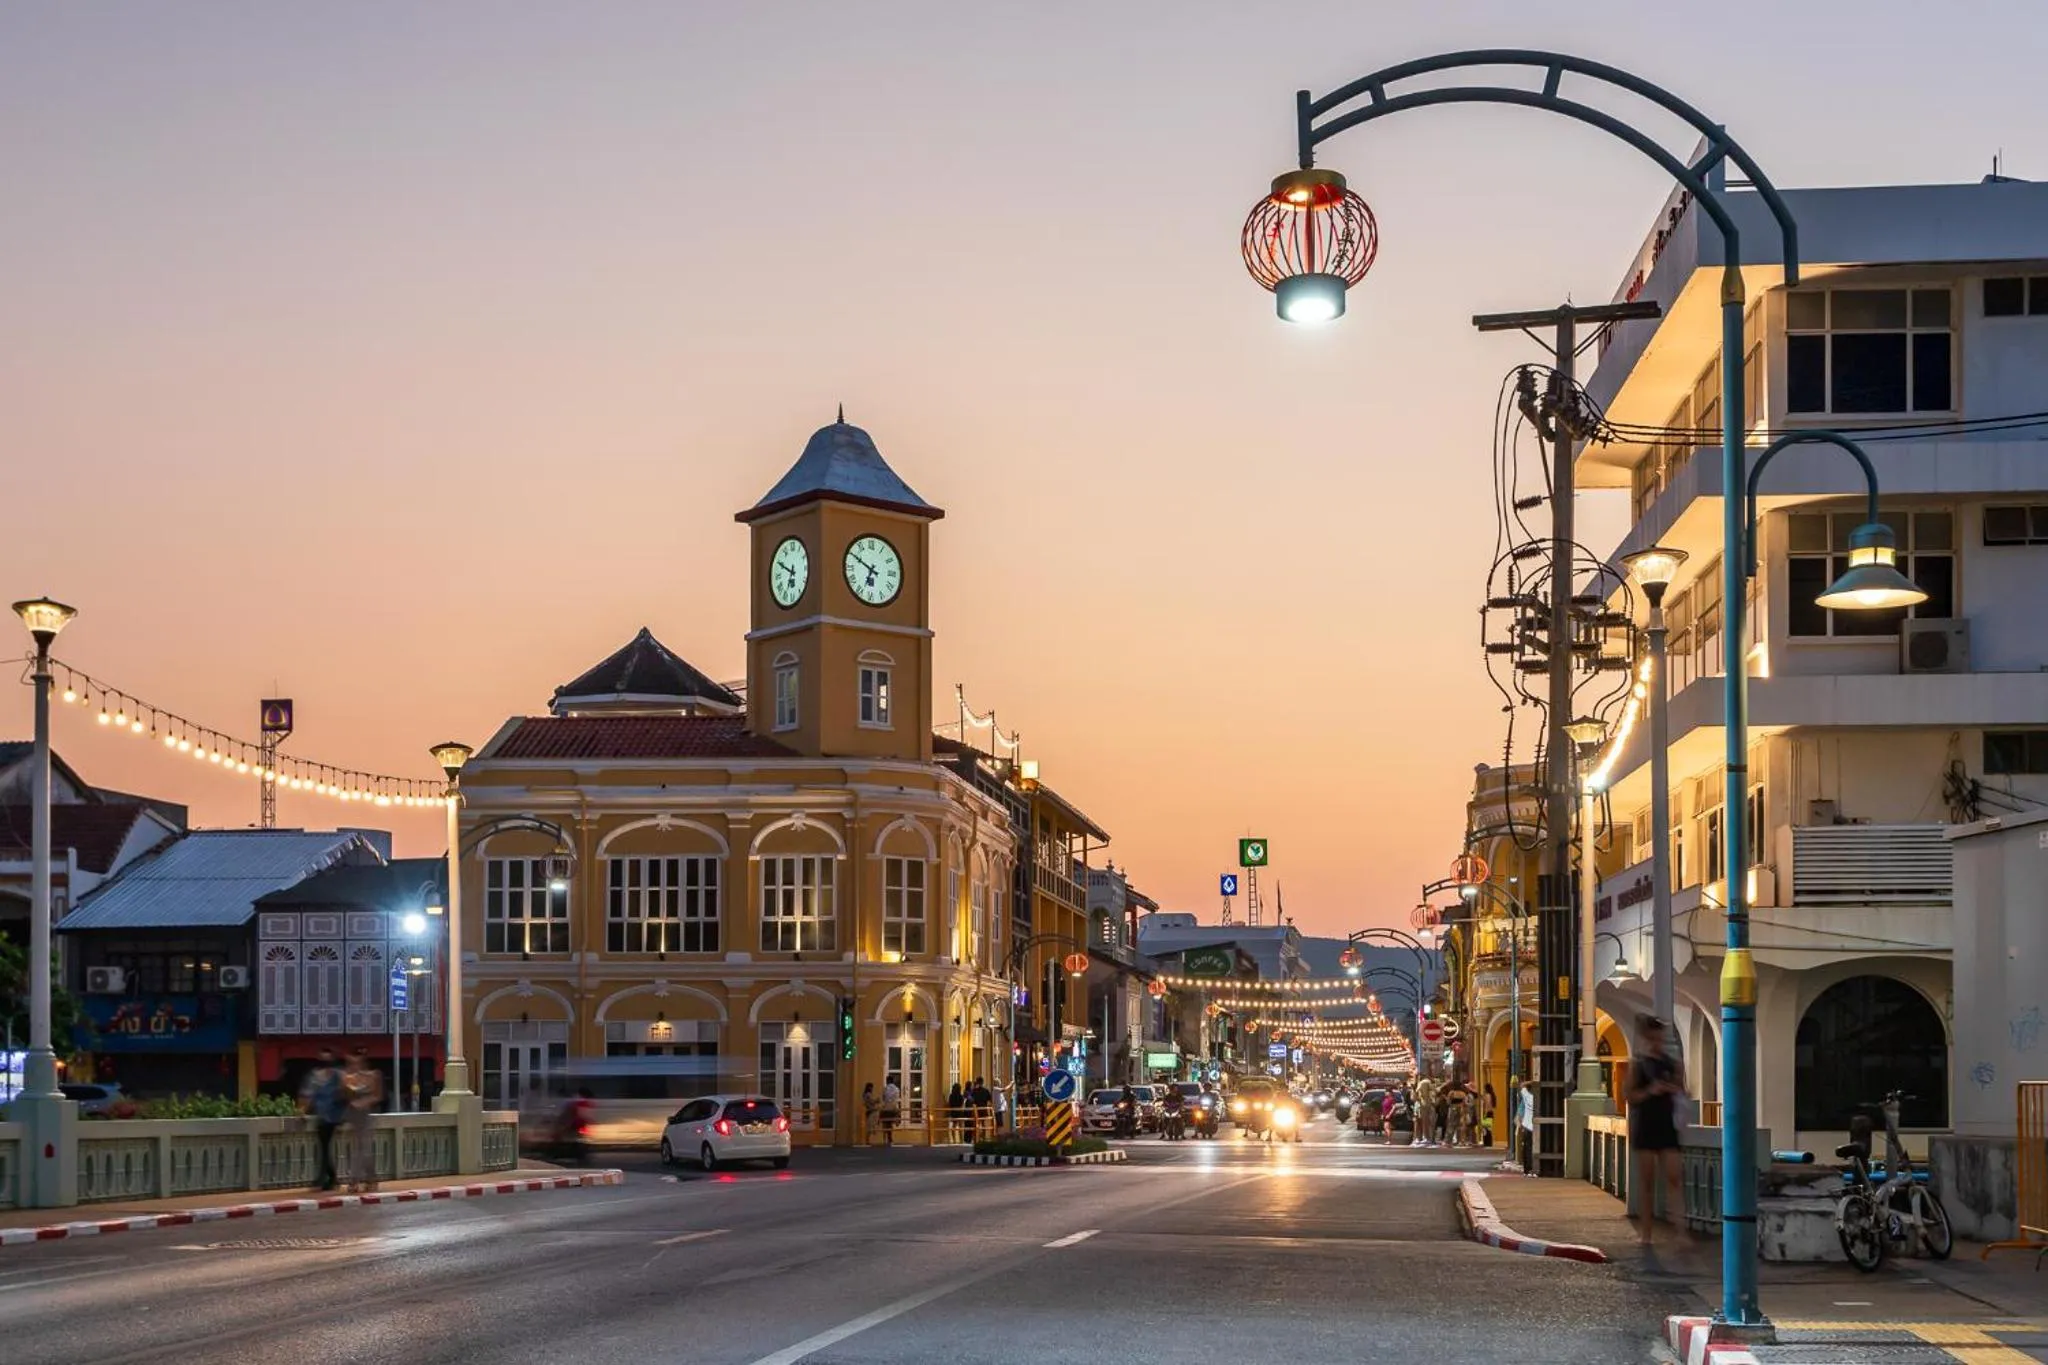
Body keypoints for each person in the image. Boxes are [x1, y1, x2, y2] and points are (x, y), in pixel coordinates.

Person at [1626, 1015, 1688, 1246]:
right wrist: (1651, 1090)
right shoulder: (1638, 1064)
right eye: (1652, 1037)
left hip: (1667, 1125)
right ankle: (1646, 1234)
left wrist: (1671, 1087)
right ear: (1645, 1038)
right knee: (1647, 1181)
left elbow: (1683, 1090)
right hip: (1646, 1124)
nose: (1656, 1042)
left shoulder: (1672, 1064)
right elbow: (1630, 1096)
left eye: (1659, 1037)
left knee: (1674, 1178)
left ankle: (1681, 1232)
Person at [297, 1049, 347, 1191]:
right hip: (323, 1116)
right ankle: (330, 1177)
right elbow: (307, 1095)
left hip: (334, 1116)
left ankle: (324, 1178)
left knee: (324, 1145)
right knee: (324, 1146)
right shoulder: (316, 1076)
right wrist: (302, 1110)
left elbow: (345, 1095)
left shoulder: (338, 1076)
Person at [340, 1050, 384, 1193]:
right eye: (351, 1063)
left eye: (356, 1062)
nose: (353, 1065)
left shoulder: (373, 1076)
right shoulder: (348, 1078)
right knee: (358, 1148)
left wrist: (365, 1101)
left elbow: (378, 1096)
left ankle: (355, 1180)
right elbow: (345, 1096)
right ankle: (371, 1178)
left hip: (365, 1115)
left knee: (363, 1149)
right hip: (353, 1115)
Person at [1516, 1080, 1537, 1176]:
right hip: (1536, 1126)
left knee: (1527, 1147)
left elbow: (1522, 1085)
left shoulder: (1526, 1098)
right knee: (1532, 1147)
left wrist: (1532, 1082)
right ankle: (1532, 1168)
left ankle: (1527, 1169)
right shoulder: (1537, 1098)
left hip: (1527, 1126)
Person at [881, 1074, 902, 1146]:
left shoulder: (885, 1088)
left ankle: (887, 1138)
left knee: (886, 1123)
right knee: (890, 1123)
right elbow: (897, 1098)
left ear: (888, 1081)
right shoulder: (897, 1089)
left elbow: (883, 1098)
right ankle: (898, 1120)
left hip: (886, 1109)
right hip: (894, 1108)